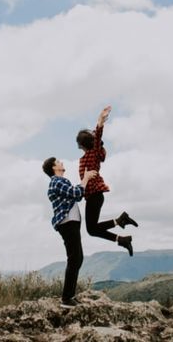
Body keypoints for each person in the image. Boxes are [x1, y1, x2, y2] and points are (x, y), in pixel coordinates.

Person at [77, 105, 138, 256]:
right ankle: (122, 235)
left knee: (91, 229)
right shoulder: (84, 158)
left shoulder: (93, 154)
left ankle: (121, 225)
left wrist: (100, 121)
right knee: (92, 229)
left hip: (95, 196)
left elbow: (97, 137)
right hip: (92, 197)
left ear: (82, 144)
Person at [42, 156, 96, 309]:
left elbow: (77, 195)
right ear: (54, 167)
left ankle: (69, 296)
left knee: (77, 258)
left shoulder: (61, 181)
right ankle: (66, 298)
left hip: (70, 223)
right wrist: (85, 179)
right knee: (75, 258)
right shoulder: (56, 182)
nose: (61, 162)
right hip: (67, 223)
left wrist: (82, 184)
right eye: (58, 162)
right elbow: (76, 193)